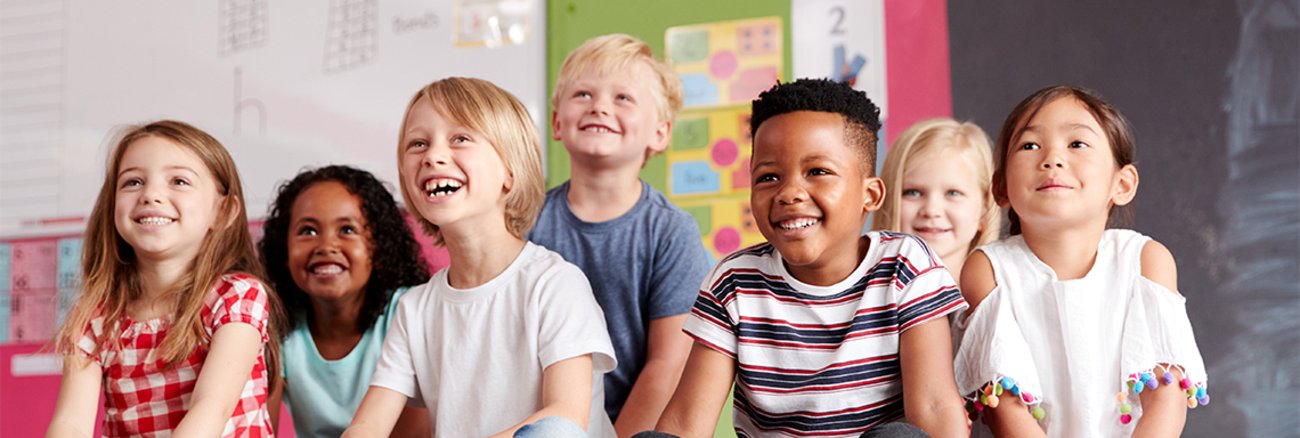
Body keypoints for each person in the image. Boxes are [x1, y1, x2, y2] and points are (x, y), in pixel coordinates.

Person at [652, 79, 969, 437]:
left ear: (870, 194)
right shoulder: (735, 281)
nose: (788, 193)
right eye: (768, 177)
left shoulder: (905, 265)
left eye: (817, 172)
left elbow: (934, 407)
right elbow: (685, 423)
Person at [343, 77, 617, 438]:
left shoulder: (555, 284)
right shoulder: (414, 309)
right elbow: (369, 424)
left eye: (460, 138)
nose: (433, 156)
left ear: (509, 172)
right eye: (418, 143)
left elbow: (566, 416)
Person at [954, 85, 1209, 437]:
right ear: (1001, 188)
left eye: (1077, 144)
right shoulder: (989, 269)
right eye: (1030, 146)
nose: (1052, 159)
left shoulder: (1145, 261)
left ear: (1122, 183)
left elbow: (1166, 398)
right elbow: (1006, 408)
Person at [47, 120, 284, 437]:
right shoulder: (95, 317)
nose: (151, 194)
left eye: (179, 181)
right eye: (132, 182)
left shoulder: (236, 297)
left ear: (223, 211)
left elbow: (211, 408)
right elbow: (70, 424)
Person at [531, 33, 712, 436]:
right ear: (557, 122)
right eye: (582, 94)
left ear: (660, 134)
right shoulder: (526, 222)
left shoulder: (670, 232)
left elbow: (666, 365)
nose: (599, 106)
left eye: (623, 98)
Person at [258, 165, 430, 437]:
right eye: (308, 231)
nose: (326, 246)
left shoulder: (408, 311)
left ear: (380, 247)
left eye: (347, 229)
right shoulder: (275, 326)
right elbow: (262, 429)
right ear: (284, 250)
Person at [872, 117, 1000, 275]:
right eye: (913, 192)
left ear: (984, 208)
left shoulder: (1004, 297)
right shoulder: (865, 297)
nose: (931, 210)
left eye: (953, 193)